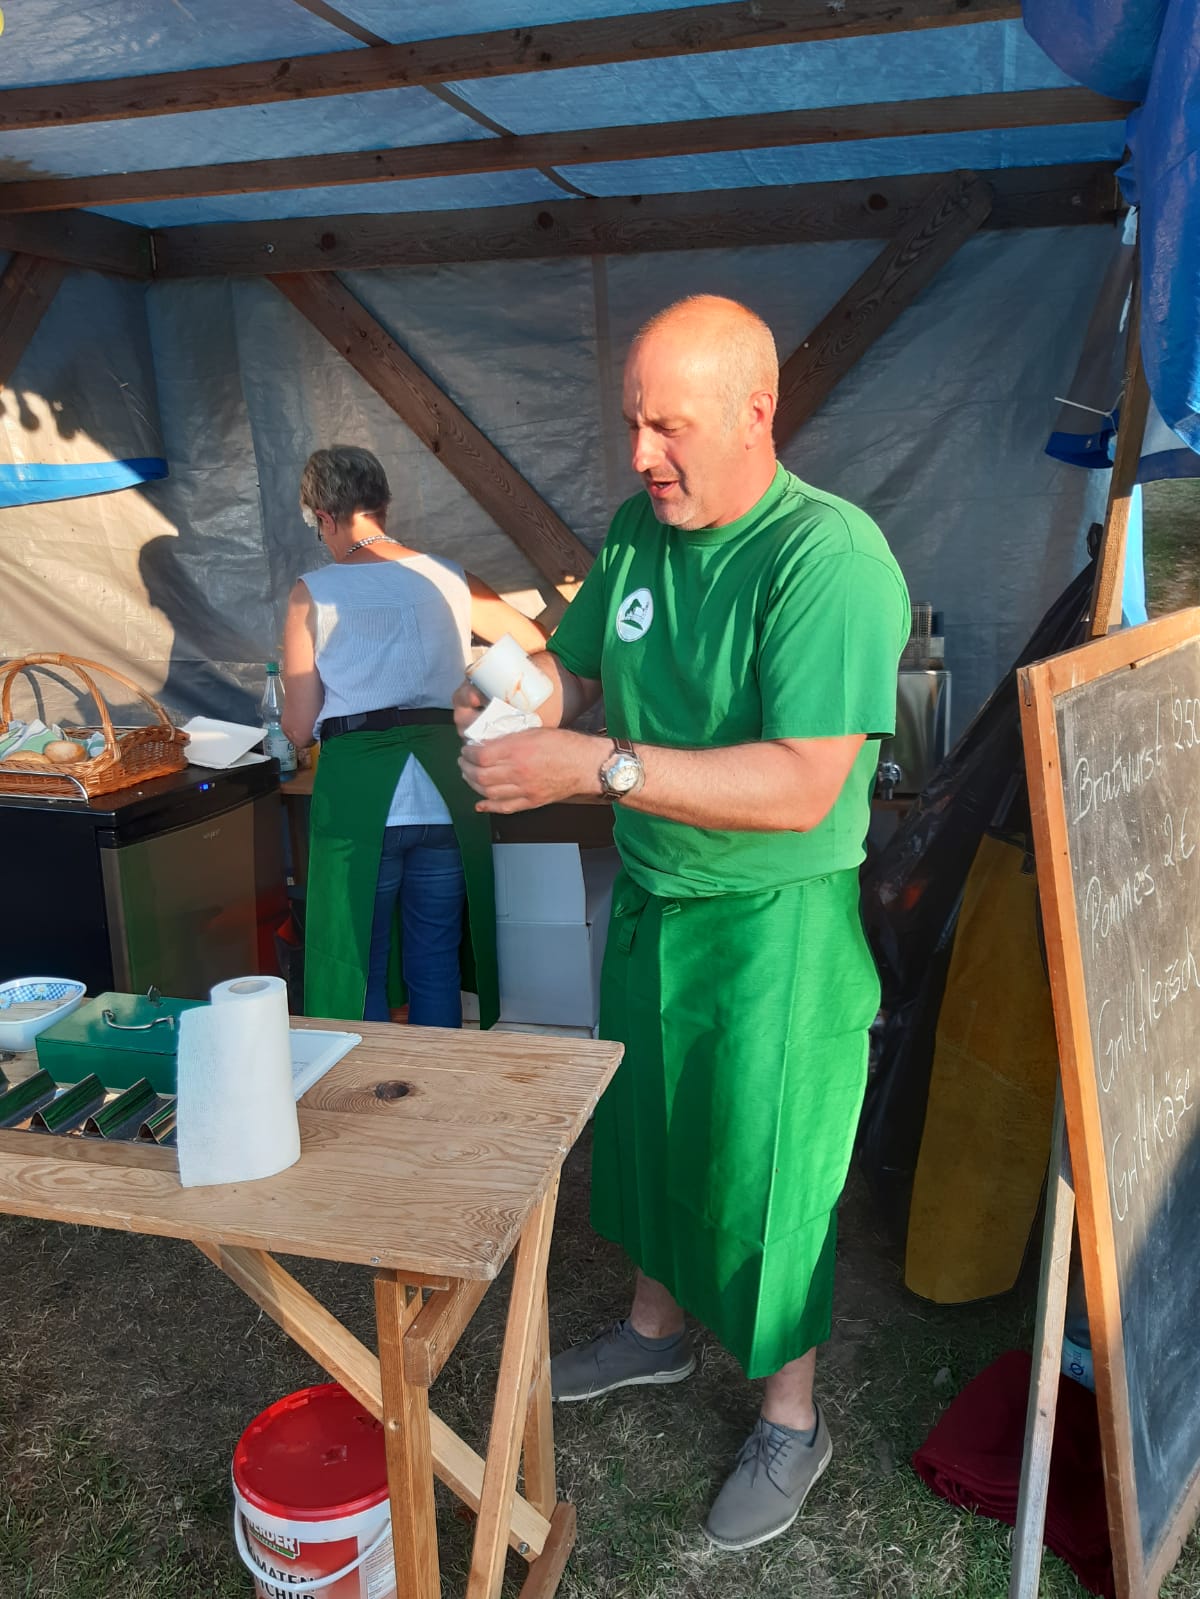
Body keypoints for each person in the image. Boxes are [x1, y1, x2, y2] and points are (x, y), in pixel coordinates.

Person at [454, 297, 910, 1550]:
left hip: (774, 924)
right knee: (651, 1133)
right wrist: (518, 694)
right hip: (658, 898)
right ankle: (655, 1333)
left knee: (769, 1169)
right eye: (632, 424)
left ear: (757, 414)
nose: (642, 454)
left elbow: (804, 782)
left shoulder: (827, 556)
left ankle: (792, 1418)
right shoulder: (637, 532)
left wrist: (595, 767)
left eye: (670, 427)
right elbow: (579, 669)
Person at [281, 445, 546, 1028]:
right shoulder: (449, 575)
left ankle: (370, 1080)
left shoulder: (312, 591)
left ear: (323, 516)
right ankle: (438, 1080)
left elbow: (299, 728)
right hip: (446, 788)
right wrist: (480, 703)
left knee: (361, 966)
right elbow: (535, 643)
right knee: (435, 962)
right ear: (383, 503)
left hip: (359, 795)